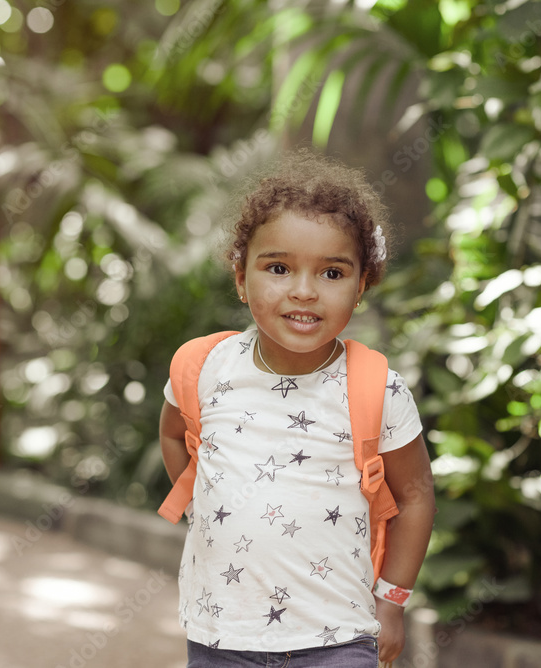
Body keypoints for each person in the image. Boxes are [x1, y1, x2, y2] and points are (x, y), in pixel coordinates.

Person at [160, 149, 436, 667]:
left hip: (339, 640)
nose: (304, 292)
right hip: (222, 638)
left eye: (332, 273)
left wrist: (393, 601)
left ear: (361, 286)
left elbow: (417, 496)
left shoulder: (378, 388)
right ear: (241, 278)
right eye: (280, 268)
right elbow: (175, 435)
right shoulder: (205, 367)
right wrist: (205, 507)